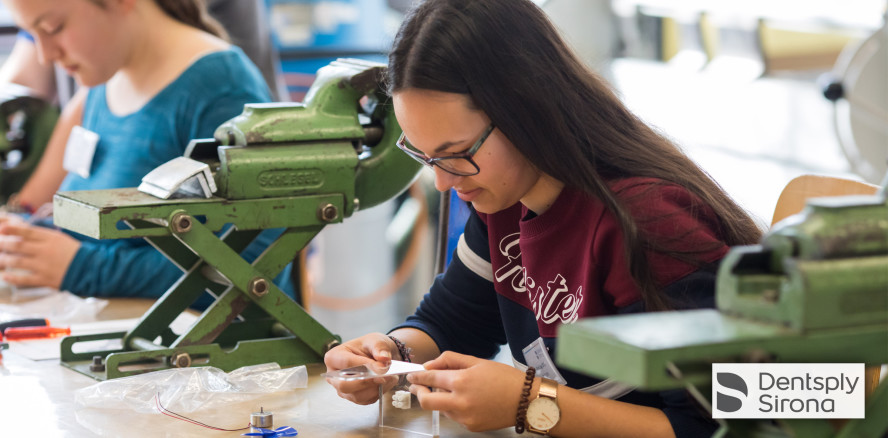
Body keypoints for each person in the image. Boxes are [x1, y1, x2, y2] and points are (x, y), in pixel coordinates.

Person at [324, 0, 763, 436]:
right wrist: (389, 354)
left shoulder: (647, 222)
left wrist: (531, 403)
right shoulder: (501, 198)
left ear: (526, 109)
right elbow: (452, 323)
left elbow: (723, 420)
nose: (442, 182)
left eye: (456, 154)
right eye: (425, 155)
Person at [0, 0, 292, 303]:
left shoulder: (222, 87)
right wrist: (24, 239)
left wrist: (83, 268)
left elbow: (251, 265)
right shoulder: (104, 73)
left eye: (53, 28)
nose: (45, 55)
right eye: (32, 34)